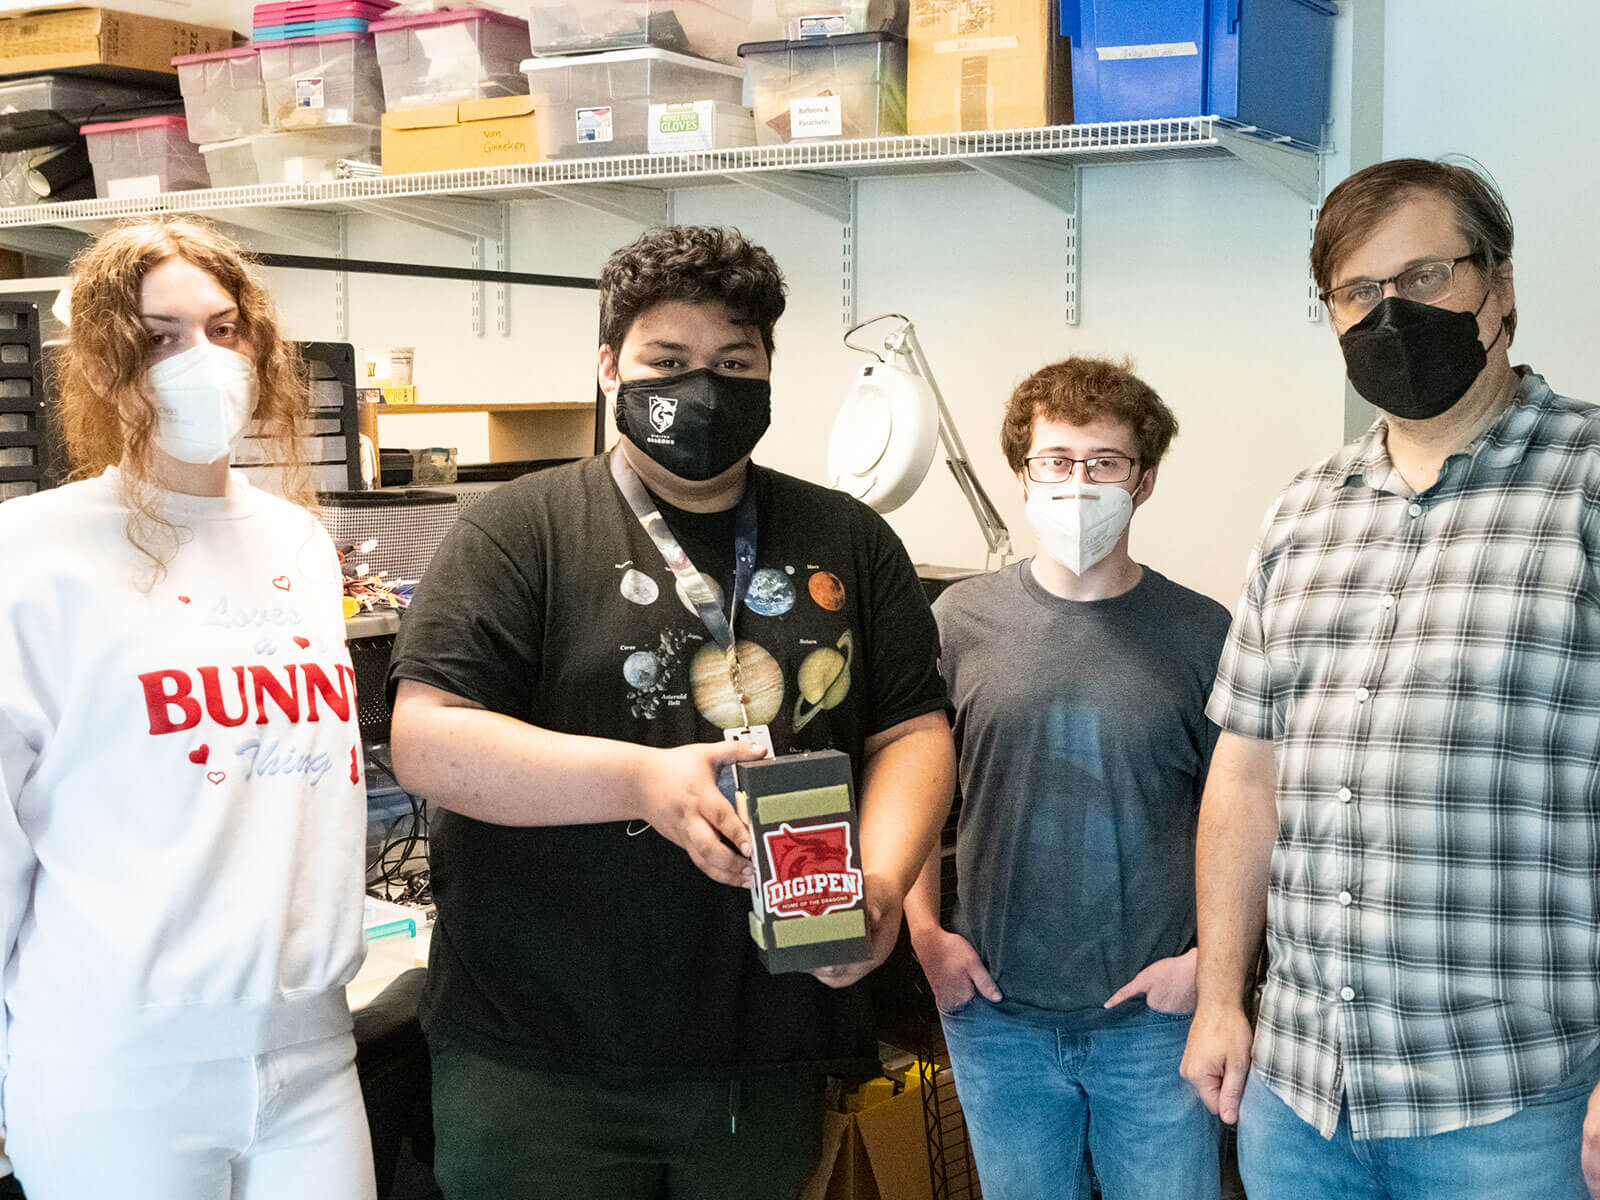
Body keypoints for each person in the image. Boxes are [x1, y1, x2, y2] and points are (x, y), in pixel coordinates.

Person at [386, 224, 955, 1200]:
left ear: (770, 372)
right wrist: (640, 779)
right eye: (668, 361)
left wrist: (885, 880)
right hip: (538, 1056)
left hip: (763, 1042)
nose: (702, 388)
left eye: (734, 364)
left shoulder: (847, 538)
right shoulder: (518, 530)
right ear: (609, 367)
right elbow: (428, 737)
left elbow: (910, 729)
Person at [1182, 157, 1600, 1200]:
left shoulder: (1588, 483)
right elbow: (1244, 777)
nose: (1389, 314)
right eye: (1357, 293)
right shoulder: (1302, 512)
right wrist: (1221, 996)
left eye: (1424, 278)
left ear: (1497, 288)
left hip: (1512, 1108)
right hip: (1301, 1098)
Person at [0, 216, 375, 1199]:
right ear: (97, 364)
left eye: (223, 329)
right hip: (113, 1065)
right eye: (160, 337)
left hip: (310, 1052)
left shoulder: (294, 540)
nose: (200, 361)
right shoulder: (30, 556)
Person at [906, 357, 1230, 1199]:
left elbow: (1241, 818)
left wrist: (1209, 964)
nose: (1077, 482)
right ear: (1022, 475)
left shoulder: (1205, 632)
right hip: (996, 1018)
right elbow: (912, 786)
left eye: (1105, 463)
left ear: (1145, 480)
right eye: (1055, 460)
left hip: (1154, 1023)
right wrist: (924, 935)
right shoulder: (957, 623)